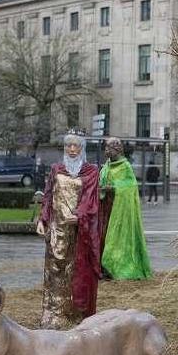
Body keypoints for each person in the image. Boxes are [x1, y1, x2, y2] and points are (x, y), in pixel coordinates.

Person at [37, 130, 102, 329]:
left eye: (76, 146)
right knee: (56, 271)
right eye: (68, 146)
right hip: (57, 230)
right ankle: (54, 314)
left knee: (76, 272)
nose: (72, 150)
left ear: (82, 148)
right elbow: (48, 196)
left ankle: (75, 313)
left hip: (79, 231)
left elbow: (91, 199)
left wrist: (80, 215)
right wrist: (43, 219)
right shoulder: (56, 169)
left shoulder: (91, 171)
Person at [99, 138, 152, 280]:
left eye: (108, 148)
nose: (106, 151)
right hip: (106, 209)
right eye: (105, 148)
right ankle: (104, 268)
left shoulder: (125, 166)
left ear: (116, 149)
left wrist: (114, 187)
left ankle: (116, 267)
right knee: (103, 236)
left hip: (119, 209)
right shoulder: (107, 166)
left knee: (117, 239)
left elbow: (131, 186)